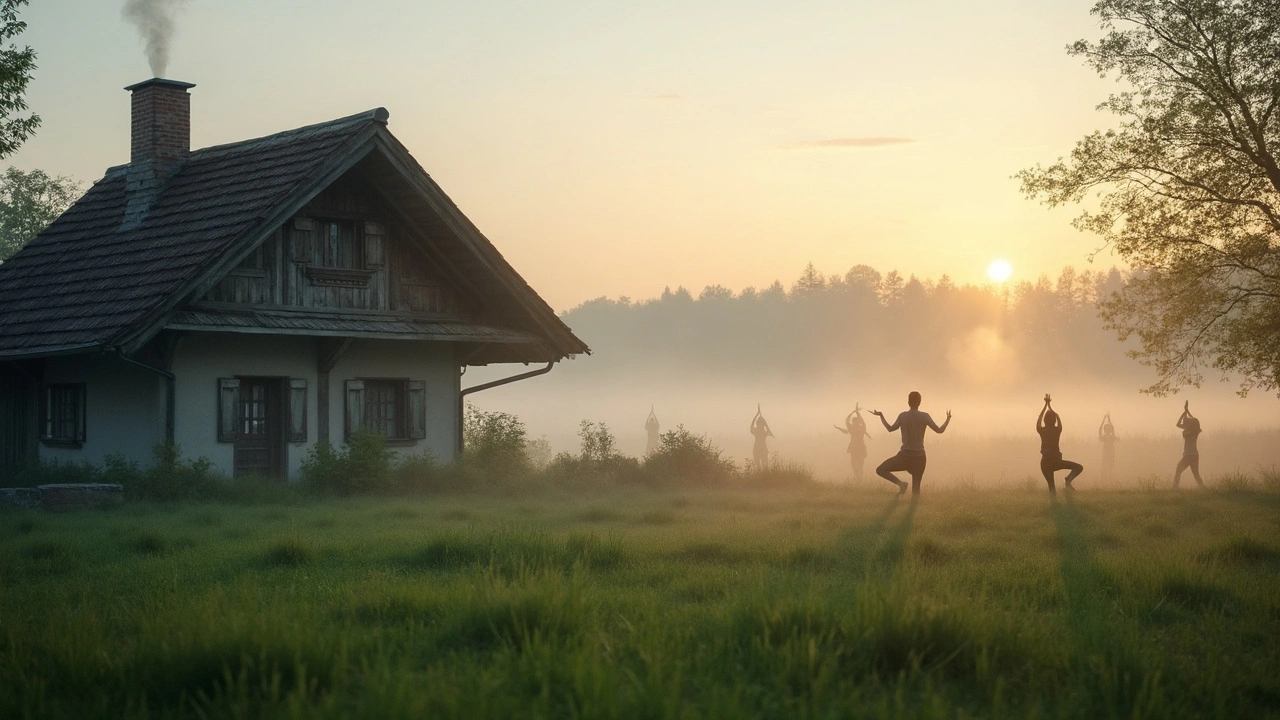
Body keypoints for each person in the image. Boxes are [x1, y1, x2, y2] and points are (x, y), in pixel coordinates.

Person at [870, 391, 950, 495]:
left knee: (881, 470)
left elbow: (890, 428)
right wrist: (948, 419)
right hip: (919, 457)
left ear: (908, 402)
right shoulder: (924, 416)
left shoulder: (903, 416)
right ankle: (912, 506)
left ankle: (901, 484)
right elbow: (939, 430)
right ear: (919, 402)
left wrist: (881, 415)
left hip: (904, 456)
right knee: (916, 490)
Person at [1037, 394, 1083, 495]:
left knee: (1052, 490)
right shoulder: (1057, 430)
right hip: (1056, 461)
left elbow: (1039, 419)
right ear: (1054, 420)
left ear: (1045, 420)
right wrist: (1050, 406)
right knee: (1079, 467)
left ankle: (1055, 504)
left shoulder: (1042, 430)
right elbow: (1057, 417)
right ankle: (1068, 480)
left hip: (1045, 463)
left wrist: (1045, 405)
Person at [834, 403, 872, 480]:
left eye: (853, 422)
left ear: (855, 422)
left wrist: (853, 412)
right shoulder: (862, 428)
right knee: (859, 466)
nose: (853, 423)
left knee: (855, 465)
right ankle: (859, 480)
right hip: (860, 448)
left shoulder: (852, 428)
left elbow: (847, 420)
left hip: (855, 448)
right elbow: (861, 421)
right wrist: (857, 412)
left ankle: (857, 480)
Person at [1174, 400, 1204, 488]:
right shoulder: (1195, 430)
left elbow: (1178, 424)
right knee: (1196, 475)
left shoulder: (1189, 430)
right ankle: (1204, 489)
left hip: (1188, 455)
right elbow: (1193, 420)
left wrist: (1184, 413)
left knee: (1178, 469)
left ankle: (1174, 487)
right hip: (1194, 455)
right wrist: (1187, 411)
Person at [750, 405, 773, 472]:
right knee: (759, 467)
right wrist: (763, 420)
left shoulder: (757, 431)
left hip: (759, 449)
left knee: (763, 466)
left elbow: (752, 425)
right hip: (760, 449)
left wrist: (757, 414)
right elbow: (768, 429)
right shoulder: (764, 432)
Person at [1098, 412, 1116, 482]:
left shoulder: (1105, 437)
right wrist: (1108, 419)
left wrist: (1104, 420)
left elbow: (1100, 430)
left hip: (1108, 453)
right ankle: (1106, 480)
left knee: (1107, 467)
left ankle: (1106, 480)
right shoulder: (1109, 437)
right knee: (1108, 467)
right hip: (1109, 453)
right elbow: (1113, 429)